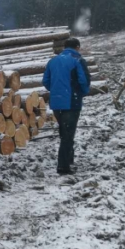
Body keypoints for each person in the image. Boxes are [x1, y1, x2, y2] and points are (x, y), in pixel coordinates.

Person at [42, 38, 91, 175]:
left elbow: (45, 81)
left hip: (56, 102)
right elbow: (84, 80)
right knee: (68, 135)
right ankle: (63, 167)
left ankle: (69, 159)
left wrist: (57, 90)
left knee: (64, 131)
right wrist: (82, 92)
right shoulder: (78, 60)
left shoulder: (53, 61)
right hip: (71, 101)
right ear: (77, 47)